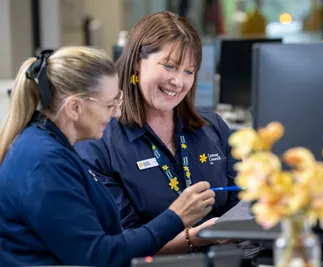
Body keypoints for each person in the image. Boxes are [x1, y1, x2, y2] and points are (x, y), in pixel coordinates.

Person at [0, 46, 215, 267]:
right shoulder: (45, 163)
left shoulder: (47, 146)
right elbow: (99, 256)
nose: (117, 113)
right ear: (74, 107)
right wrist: (175, 217)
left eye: (118, 101)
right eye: (109, 104)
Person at [75, 11, 239, 254]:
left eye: (189, 71)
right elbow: (120, 243)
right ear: (137, 63)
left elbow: (243, 203)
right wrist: (195, 238)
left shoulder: (213, 127)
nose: (178, 81)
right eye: (170, 66)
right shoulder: (99, 141)